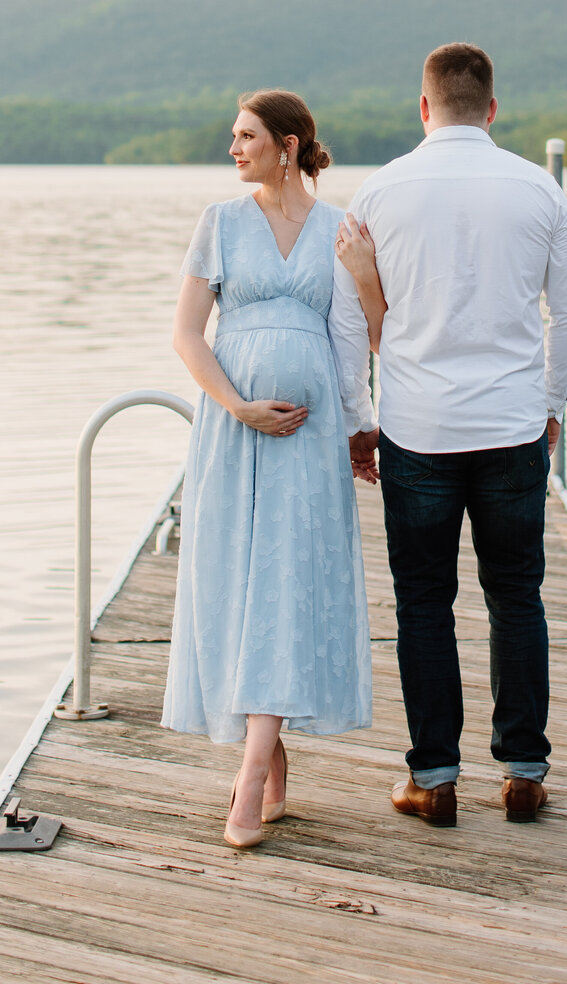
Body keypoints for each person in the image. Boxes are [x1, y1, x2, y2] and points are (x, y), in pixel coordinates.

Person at [330, 43, 567, 827]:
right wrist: (552, 403)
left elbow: (349, 320)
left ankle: (434, 779)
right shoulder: (538, 189)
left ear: (423, 107)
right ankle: (522, 770)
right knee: (517, 598)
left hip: (418, 428)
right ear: (492, 108)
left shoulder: (378, 192)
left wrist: (359, 421)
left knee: (424, 604)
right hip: (512, 428)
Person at [161, 90, 382, 850]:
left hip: (312, 440)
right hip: (234, 432)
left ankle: (251, 779)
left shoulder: (338, 229)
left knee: (289, 585)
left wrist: (360, 426)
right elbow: (189, 337)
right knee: (238, 585)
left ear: (287, 145)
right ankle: (272, 756)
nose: (233, 147)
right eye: (233, 135)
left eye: (246, 135)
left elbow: (354, 338)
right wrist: (237, 405)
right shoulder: (219, 224)